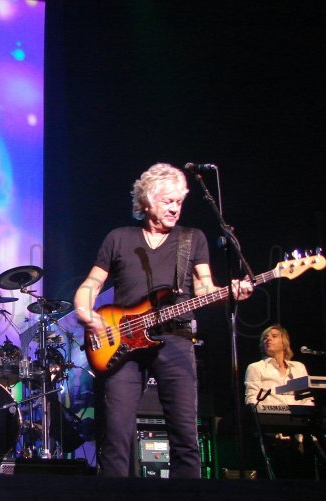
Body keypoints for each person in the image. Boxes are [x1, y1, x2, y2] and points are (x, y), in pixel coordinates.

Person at [73, 163, 253, 478]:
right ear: (146, 202)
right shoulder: (119, 238)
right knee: (116, 434)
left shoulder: (192, 238)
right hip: (123, 344)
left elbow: (204, 289)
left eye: (179, 202)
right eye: (168, 201)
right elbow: (92, 284)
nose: (174, 208)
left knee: (185, 434)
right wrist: (86, 312)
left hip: (176, 340)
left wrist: (230, 292)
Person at [244, 324, 315, 479]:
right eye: (265, 337)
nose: (268, 339)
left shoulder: (298, 367)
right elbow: (252, 399)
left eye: (274, 336)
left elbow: (307, 398)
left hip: (299, 434)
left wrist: (304, 418)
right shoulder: (256, 368)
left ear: (285, 342)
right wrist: (267, 417)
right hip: (272, 433)